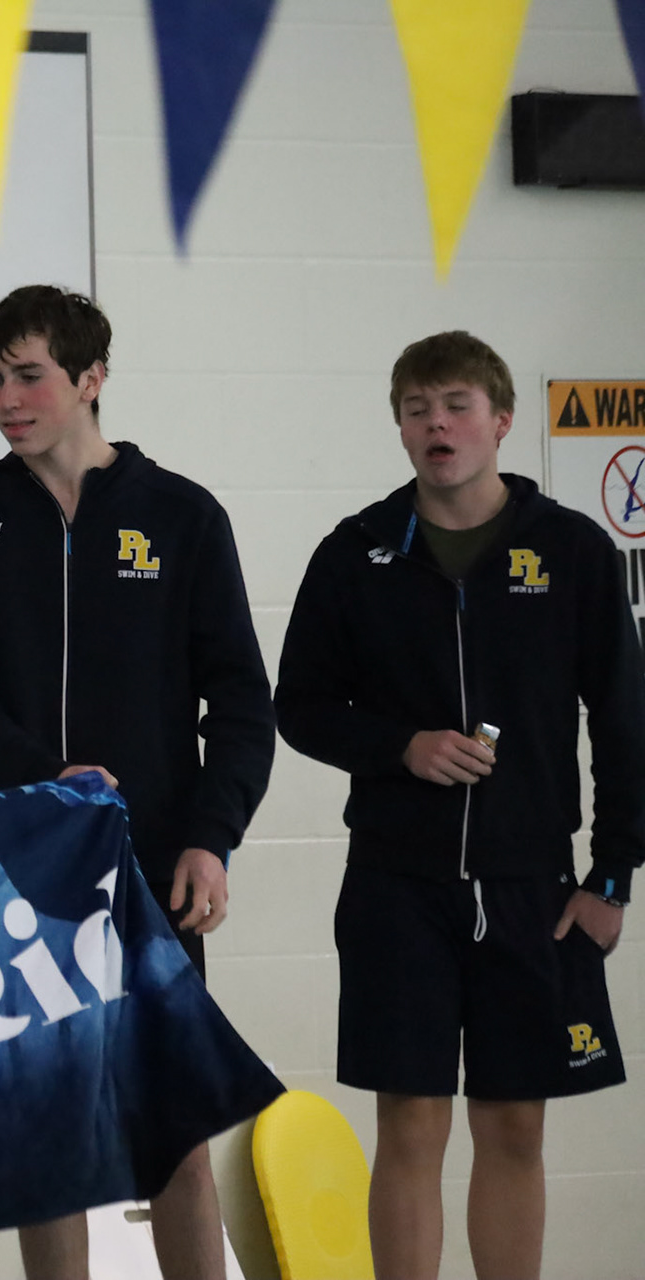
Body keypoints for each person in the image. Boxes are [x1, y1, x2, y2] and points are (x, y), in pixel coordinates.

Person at [0, 285, 275, 1280]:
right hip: (18, 867)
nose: (7, 399)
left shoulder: (183, 517)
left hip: (151, 873)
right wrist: (46, 777)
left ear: (91, 378)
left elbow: (241, 703)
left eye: (29, 376)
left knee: (173, 1137)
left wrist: (211, 836)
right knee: (47, 1140)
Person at [274, 331, 642, 1280]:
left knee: (515, 1124)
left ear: (501, 421)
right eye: (417, 409)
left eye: (456, 406)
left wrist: (611, 875)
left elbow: (626, 722)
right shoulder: (355, 553)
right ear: (399, 427)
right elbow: (299, 707)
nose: (436, 424)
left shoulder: (573, 550)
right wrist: (401, 746)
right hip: (397, 886)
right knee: (411, 1124)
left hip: (531, 887)